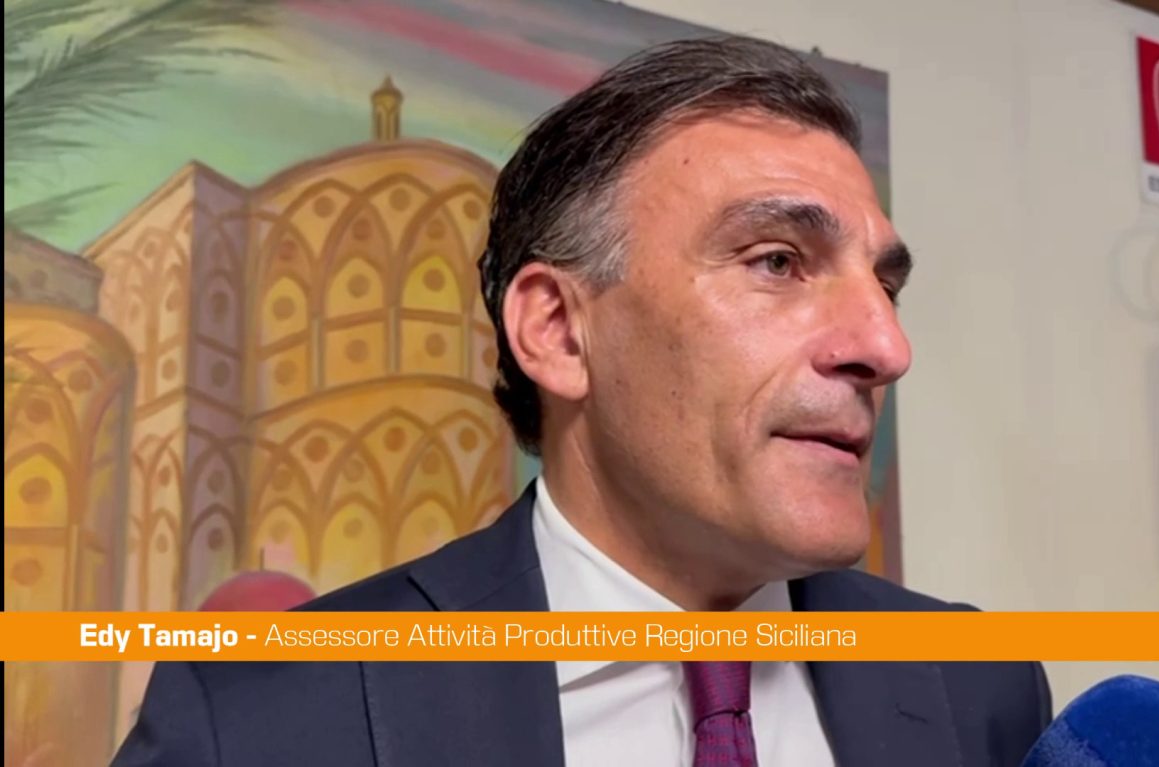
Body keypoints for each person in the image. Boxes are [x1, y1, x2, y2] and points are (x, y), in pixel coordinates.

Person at [113, 36, 1051, 767]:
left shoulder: (977, 685)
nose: (886, 347)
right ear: (559, 331)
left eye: (885, 286)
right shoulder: (260, 715)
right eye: (777, 261)